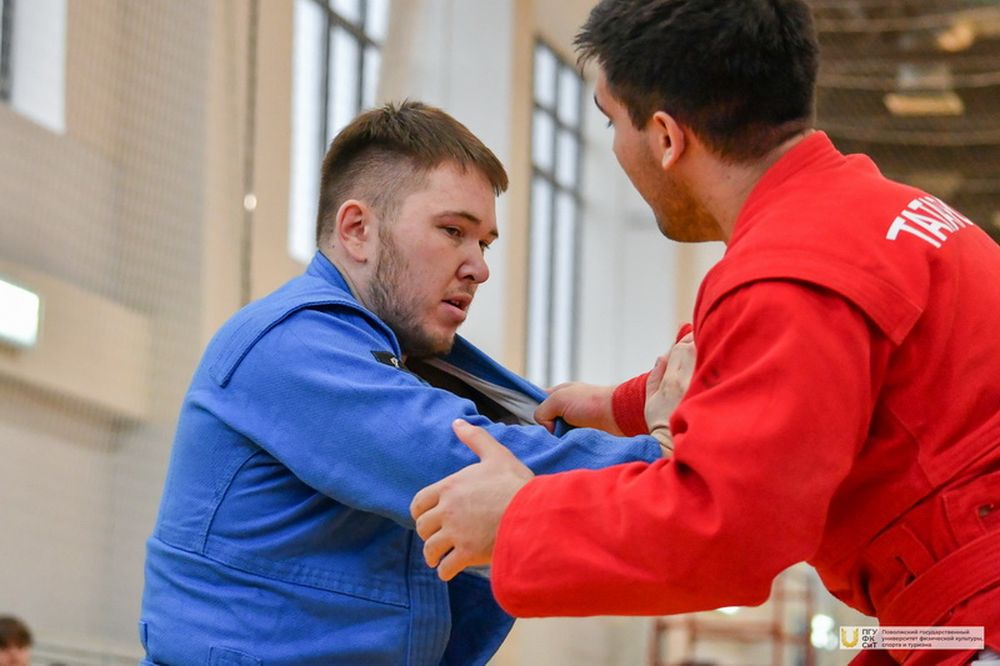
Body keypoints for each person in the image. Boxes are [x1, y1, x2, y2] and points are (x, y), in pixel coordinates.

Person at [410, 2, 1000, 665]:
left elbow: (726, 532)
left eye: (612, 122)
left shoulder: (789, 273)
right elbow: (764, 379)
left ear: (666, 136)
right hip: (936, 615)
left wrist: (519, 520)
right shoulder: (883, 213)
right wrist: (619, 407)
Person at [138, 100, 689, 666]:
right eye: (453, 231)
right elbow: (477, 459)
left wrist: (623, 412)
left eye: (484, 243)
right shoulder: (292, 347)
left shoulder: (401, 361)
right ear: (357, 230)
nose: (479, 267)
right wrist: (671, 457)